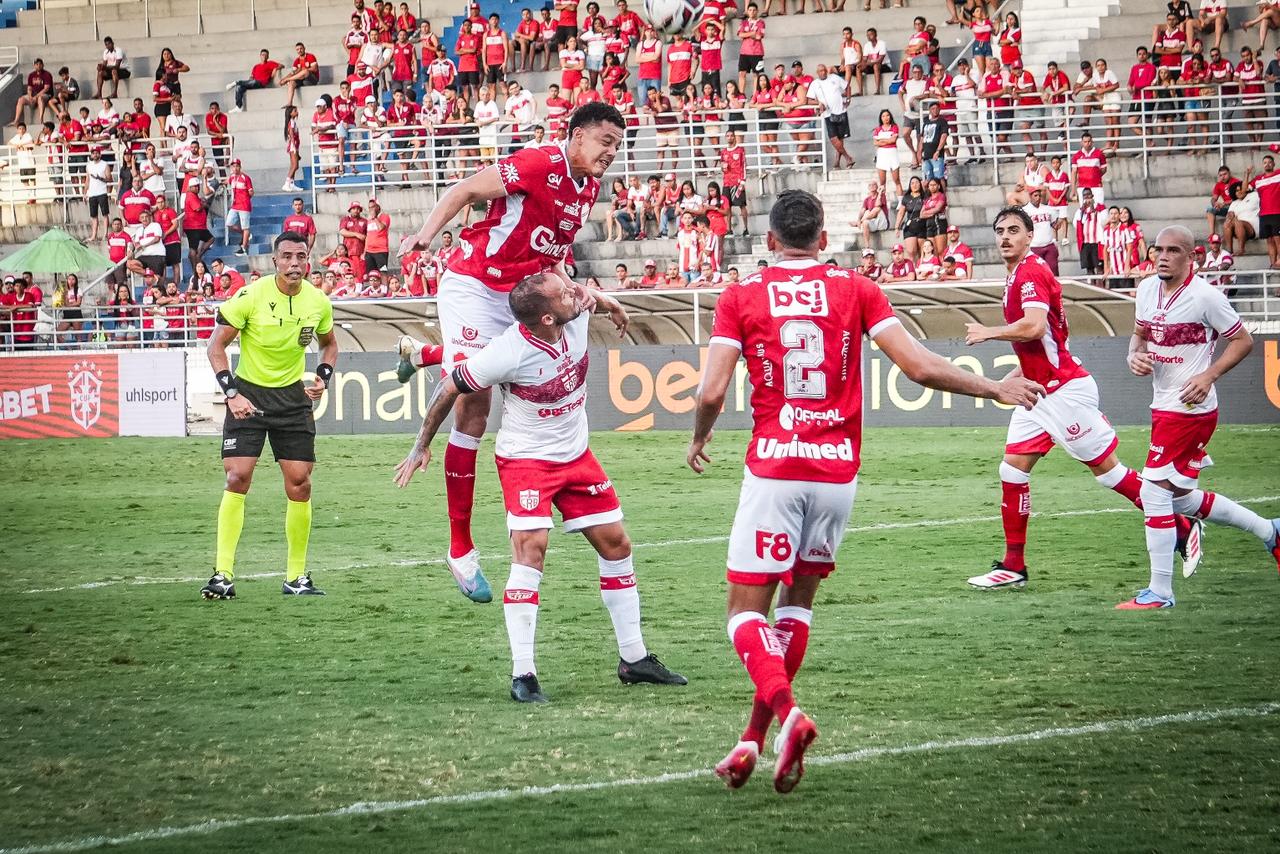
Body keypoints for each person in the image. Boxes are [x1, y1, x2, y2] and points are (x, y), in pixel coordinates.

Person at [687, 189, 1043, 794]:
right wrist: (994, 389)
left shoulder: (741, 294)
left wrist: (699, 436)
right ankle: (752, 738)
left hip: (775, 469)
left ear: (769, 241)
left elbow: (712, 392)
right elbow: (919, 367)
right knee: (796, 607)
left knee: (744, 614)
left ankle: (789, 715)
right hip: (837, 476)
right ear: (823, 239)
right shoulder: (857, 288)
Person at [394, 273, 686, 701]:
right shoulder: (507, 352)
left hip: (577, 456)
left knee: (617, 546)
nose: (574, 292)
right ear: (547, 317)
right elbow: (450, 386)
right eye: (564, 293)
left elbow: (589, 294)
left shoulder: (577, 310)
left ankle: (634, 658)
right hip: (527, 461)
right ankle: (523, 676)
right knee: (531, 552)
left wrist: (612, 303)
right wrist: (421, 445)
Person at [393, 102, 626, 602]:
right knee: (474, 405)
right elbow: (465, 190)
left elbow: (552, 256)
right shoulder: (539, 162)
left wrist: (591, 293)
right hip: (476, 285)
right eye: (605, 141)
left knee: (529, 368)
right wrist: (425, 237)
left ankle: (423, 355)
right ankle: (460, 548)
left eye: (617, 146)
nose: (611, 153)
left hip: (523, 293)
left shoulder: (587, 187)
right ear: (577, 135)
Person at [963, 207, 1198, 590]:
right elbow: (1050, 338)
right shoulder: (1016, 275)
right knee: (1012, 471)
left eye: (1013, 230)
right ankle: (1013, 565)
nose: (1005, 236)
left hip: (1063, 392)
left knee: (1111, 474)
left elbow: (1034, 326)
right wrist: (1018, 374)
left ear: (1030, 236)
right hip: (1038, 390)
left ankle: (1183, 525)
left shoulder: (1031, 272)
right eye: (1000, 230)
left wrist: (989, 332)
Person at [1120, 225, 1279, 609]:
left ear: (1191, 257)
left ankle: (1160, 592)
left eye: (1173, 250)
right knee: (1179, 499)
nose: (1162, 256)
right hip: (1163, 405)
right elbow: (1139, 335)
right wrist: (1133, 354)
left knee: (1153, 493)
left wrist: (1209, 375)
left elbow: (1242, 340)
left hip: (1190, 409)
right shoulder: (1146, 290)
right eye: (1158, 249)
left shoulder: (1206, 297)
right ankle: (1270, 531)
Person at [202, 232, 339, 601]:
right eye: (287, 256)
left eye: (301, 256)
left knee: (300, 483)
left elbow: (329, 345)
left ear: (308, 260)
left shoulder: (318, 301)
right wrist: (232, 394)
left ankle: (296, 577)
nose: (294, 263)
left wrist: (323, 377)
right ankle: (222, 575)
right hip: (248, 395)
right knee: (237, 476)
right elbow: (215, 346)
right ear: (275, 261)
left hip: (292, 399)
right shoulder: (251, 296)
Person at [1249, 153, 1280, 269]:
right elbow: (1244, 189)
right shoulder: (1258, 179)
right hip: (1264, 214)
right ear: (1263, 165)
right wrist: (1247, 174)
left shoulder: (1278, 174)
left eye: (1269, 162)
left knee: (1278, 238)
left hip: (1277, 212)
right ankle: (1272, 264)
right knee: (1269, 240)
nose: (1267, 164)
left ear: (1274, 164)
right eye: (1265, 162)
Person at [229, 49, 282, 113]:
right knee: (239, 87)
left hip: (261, 83)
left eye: (266, 55)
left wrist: (275, 68)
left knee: (253, 82)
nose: (264, 56)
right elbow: (252, 76)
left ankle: (236, 82)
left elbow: (281, 65)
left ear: (268, 57)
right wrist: (249, 81)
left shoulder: (270, 63)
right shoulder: (256, 66)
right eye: (263, 55)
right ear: (260, 56)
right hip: (253, 83)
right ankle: (239, 107)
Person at [1023, 187, 1059, 274]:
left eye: (1039, 196)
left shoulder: (1048, 209)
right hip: (1034, 246)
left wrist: (1058, 225)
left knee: (1053, 271)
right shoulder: (1025, 211)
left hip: (1049, 244)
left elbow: (1054, 225)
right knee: (1037, 273)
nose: (1038, 198)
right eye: (1035, 195)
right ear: (1030, 196)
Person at [225, 159, 254, 256]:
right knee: (229, 223)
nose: (235, 168)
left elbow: (251, 192)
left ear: (240, 167)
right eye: (233, 166)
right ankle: (246, 235)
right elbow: (226, 182)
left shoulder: (245, 177)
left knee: (245, 227)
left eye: (237, 166)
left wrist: (245, 198)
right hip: (235, 205)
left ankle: (244, 248)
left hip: (244, 206)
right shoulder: (232, 177)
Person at [280, 42, 320, 107]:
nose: (299, 50)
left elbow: (315, 69)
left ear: (304, 48)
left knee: (305, 71)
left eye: (301, 48)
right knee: (291, 82)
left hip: (311, 80)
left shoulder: (310, 56)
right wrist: (284, 79)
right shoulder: (296, 61)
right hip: (302, 80)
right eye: (297, 49)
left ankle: (288, 79)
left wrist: (287, 79)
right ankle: (289, 103)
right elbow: (293, 73)